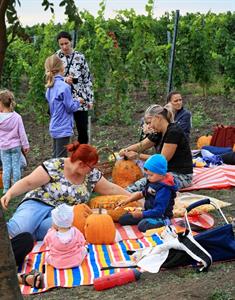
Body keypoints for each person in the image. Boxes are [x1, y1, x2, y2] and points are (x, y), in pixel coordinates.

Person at [1, 142, 130, 241]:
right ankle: (23, 232)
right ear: (81, 164)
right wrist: (10, 193)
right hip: (38, 203)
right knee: (18, 230)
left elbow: (111, 188)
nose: (92, 170)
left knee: (56, 233)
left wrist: (133, 197)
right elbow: (29, 182)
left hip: (62, 214)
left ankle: (30, 234)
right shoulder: (55, 166)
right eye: (91, 167)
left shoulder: (92, 175)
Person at [119, 104, 193, 190]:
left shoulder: (174, 132)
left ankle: (122, 198)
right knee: (141, 180)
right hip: (162, 172)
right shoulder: (158, 132)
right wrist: (126, 150)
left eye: (149, 122)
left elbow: (161, 160)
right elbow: (141, 145)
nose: (149, 126)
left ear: (158, 118)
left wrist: (137, 156)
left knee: (138, 187)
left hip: (180, 175)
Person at [116, 154, 177, 232]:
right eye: (147, 175)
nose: (148, 177)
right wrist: (128, 200)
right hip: (149, 212)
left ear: (161, 173)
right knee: (123, 219)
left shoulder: (164, 189)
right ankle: (146, 218)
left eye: (151, 175)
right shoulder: (153, 181)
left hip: (160, 215)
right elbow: (142, 193)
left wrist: (142, 214)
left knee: (142, 225)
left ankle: (164, 222)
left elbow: (159, 211)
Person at [56, 31, 94, 144]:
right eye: (61, 44)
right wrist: (64, 79)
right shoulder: (57, 57)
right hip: (65, 100)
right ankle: (67, 157)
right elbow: (51, 77)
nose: (64, 46)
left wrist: (90, 99)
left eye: (66, 43)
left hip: (80, 99)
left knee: (82, 129)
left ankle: (82, 156)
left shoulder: (80, 57)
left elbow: (87, 79)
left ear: (71, 42)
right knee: (65, 130)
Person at [45, 54, 82, 158]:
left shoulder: (50, 86)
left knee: (55, 158)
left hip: (54, 125)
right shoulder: (64, 87)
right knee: (61, 161)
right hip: (63, 127)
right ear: (62, 67)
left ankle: (50, 174)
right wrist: (78, 101)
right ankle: (58, 175)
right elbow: (70, 107)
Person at [0, 89, 29, 194]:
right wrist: (25, 145)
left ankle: (6, 188)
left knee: (6, 167)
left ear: (1, 104)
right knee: (16, 166)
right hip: (15, 146)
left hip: (4, 147)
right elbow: (22, 133)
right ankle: (16, 187)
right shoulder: (17, 117)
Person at [44, 203, 87, 269]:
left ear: (56, 223)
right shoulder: (76, 232)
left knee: (47, 255)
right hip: (76, 261)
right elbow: (82, 242)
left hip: (57, 263)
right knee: (84, 250)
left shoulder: (51, 234)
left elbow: (46, 243)